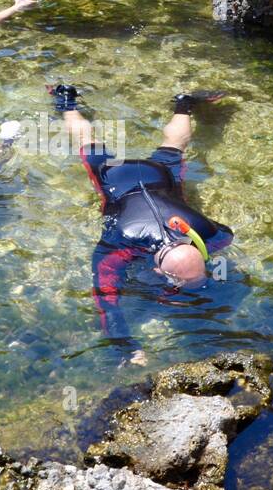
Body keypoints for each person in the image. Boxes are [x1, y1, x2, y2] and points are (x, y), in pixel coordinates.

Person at [50, 84, 234, 343]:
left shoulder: (203, 229)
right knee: (90, 143)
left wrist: (129, 346)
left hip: (155, 173)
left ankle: (68, 98)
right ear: (158, 271)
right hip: (114, 178)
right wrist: (125, 347)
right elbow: (106, 301)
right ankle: (183, 102)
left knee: (172, 145)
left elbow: (108, 302)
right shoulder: (122, 242)